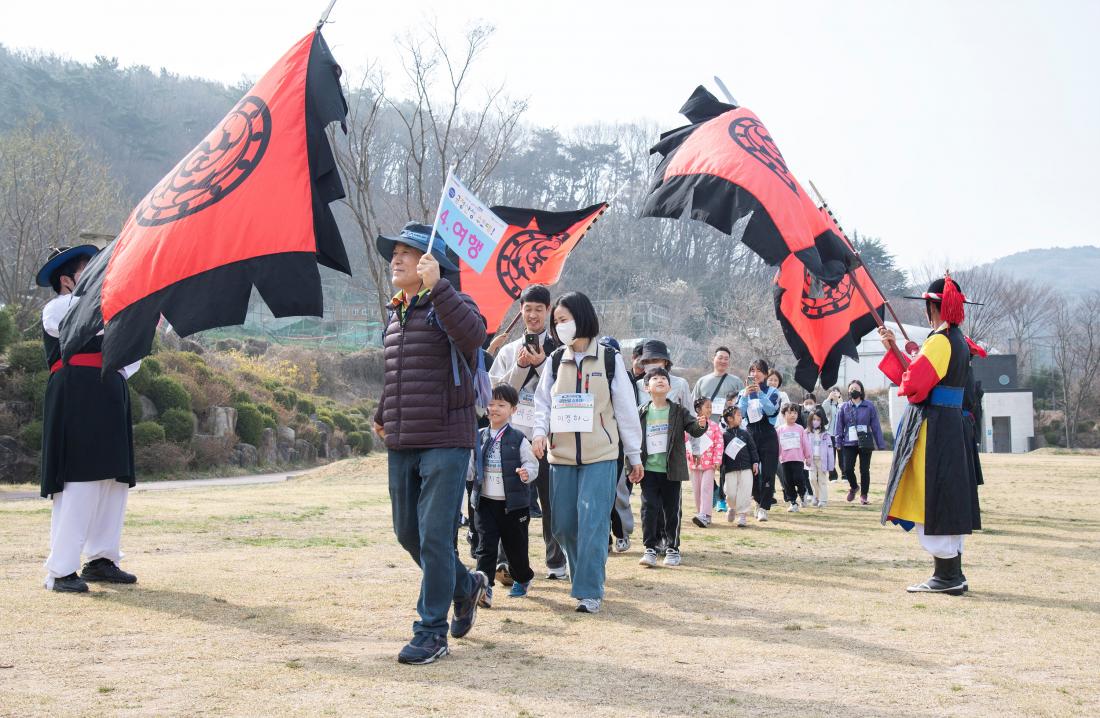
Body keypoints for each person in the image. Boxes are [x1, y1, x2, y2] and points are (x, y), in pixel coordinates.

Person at [373, 222, 489, 665]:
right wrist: (384, 413)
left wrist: (439, 287)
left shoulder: (452, 302)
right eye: (395, 252)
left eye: (408, 252)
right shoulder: (396, 311)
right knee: (408, 534)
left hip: (446, 438)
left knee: (436, 537)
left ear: (431, 262)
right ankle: (466, 586)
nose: (397, 259)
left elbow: (475, 337)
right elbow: (399, 373)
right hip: (403, 438)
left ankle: (431, 631)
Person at [38, 245, 142, 593]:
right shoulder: (56, 307)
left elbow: (132, 360)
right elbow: (79, 316)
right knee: (78, 479)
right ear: (66, 280)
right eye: (90, 270)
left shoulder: (111, 310)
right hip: (75, 394)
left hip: (109, 393)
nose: (99, 275)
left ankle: (101, 559)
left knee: (113, 482)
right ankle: (61, 569)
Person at [531, 291, 643, 614]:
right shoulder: (555, 361)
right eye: (557, 322)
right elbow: (543, 404)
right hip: (561, 456)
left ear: (582, 317)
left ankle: (589, 590)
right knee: (563, 525)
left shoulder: (609, 359)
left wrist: (634, 455)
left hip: (601, 456)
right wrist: (539, 433)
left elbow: (625, 410)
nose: (559, 326)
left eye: (563, 319)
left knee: (593, 521)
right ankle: (583, 577)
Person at [877, 275, 982, 595]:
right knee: (949, 496)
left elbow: (914, 386)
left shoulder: (939, 341)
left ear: (930, 308)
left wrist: (898, 353)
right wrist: (894, 348)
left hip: (935, 426)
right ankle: (953, 574)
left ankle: (947, 576)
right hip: (951, 424)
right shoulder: (959, 340)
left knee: (934, 496)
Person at [485, 284, 568, 582]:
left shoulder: (560, 352)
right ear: (520, 311)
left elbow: (564, 390)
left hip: (549, 438)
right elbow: (495, 394)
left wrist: (543, 362)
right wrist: (521, 366)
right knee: (510, 504)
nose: (532, 315)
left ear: (548, 312)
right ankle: (507, 564)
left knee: (551, 503)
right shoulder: (508, 351)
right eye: (527, 309)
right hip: (513, 439)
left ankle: (557, 563)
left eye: (539, 309)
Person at [467, 385, 539, 606]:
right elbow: (469, 469)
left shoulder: (518, 439)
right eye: (491, 404)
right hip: (485, 503)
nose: (494, 408)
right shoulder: (478, 437)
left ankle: (523, 578)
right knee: (485, 547)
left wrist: (526, 473)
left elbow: (532, 464)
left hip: (514, 505)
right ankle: (485, 589)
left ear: (513, 410)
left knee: (515, 549)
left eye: (501, 405)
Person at [635, 367, 708, 567]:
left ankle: (672, 549)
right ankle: (649, 548)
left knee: (672, 510)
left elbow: (694, 429)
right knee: (649, 509)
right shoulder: (641, 412)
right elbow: (631, 440)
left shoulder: (678, 411)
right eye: (655, 378)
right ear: (646, 387)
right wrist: (631, 465)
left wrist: (701, 425)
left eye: (663, 378)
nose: (660, 380)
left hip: (671, 470)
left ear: (669, 387)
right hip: (648, 470)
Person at [738, 359, 781, 521]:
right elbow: (740, 414)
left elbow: (771, 411)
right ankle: (757, 500)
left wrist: (760, 394)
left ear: (765, 373)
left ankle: (764, 507)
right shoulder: (744, 393)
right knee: (751, 471)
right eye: (752, 371)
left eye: (758, 371)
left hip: (768, 434)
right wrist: (745, 396)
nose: (755, 374)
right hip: (750, 434)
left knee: (768, 472)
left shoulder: (773, 392)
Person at [833, 379, 887, 505]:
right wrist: (838, 442)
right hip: (849, 442)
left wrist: (880, 444)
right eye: (851, 389)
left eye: (856, 389)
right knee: (847, 468)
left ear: (861, 391)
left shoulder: (869, 406)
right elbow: (839, 426)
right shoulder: (844, 407)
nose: (853, 391)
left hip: (865, 442)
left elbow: (876, 426)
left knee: (864, 469)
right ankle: (854, 487)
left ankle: (864, 495)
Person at [687, 397, 724, 528]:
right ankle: (700, 513)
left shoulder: (714, 426)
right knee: (697, 490)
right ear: (698, 409)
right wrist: (689, 456)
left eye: (711, 407)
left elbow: (719, 444)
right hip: (694, 463)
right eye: (707, 406)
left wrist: (717, 460)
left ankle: (705, 514)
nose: (710, 409)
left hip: (709, 464)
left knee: (706, 489)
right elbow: (686, 441)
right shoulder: (691, 424)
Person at [720, 406, 759, 527]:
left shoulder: (745, 433)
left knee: (745, 492)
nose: (740, 417)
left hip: (746, 468)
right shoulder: (724, 436)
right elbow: (720, 452)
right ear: (730, 418)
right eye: (738, 415)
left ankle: (742, 516)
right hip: (730, 469)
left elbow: (752, 449)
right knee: (730, 493)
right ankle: (731, 507)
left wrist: (755, 462)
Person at [691, 346, 745, 423]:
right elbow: (692, 405)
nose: (723, 361)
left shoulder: (737, 382)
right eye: (720, 358)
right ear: (713, 359)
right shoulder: (702, 381)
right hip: (706, 428)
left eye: (726, 359)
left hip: (728, 427)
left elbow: (743, 405)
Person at [776, 405, 811, 512]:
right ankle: (793, 503)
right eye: (790, 413)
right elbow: (777, 445)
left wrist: (808, 457)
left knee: (798, 478)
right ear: (784, 415)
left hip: (798, 459)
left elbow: (805, 443)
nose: (793, 415)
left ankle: (803, 493)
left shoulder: (800, 428)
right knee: (788, 482)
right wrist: (775, 458)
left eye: (795, 413)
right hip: (785, 461)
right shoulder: (780, 430)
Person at [634, 339, 691, 407]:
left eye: (655, 360)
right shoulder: (638, 385)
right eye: (647, 362)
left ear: (665, 362)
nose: (651, 364)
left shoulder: (680, 384)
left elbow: (690, 414)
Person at [805, 407, 835, 507]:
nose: (816, 421)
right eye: (814, 419)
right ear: (810, 420)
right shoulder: (806, 433)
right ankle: (816, 496)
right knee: (812, 479)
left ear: (822, 421)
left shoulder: (826, 435)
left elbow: (830, 451)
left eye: (818, 420)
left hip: (822, 460)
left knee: (822, 480)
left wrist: (830, 465)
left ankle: (823, 500)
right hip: (811, 460)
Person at [821, 387, 843, 481]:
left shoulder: (842, 404)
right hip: (830, 434)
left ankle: (845, 475)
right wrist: (827, 399)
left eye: (836, 392)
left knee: (843, 456)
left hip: (841, 434)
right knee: (830, 456)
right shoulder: (828, 404)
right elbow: (822, 412)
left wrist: (841, 403)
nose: (835, 394)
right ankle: (832, 475)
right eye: (833, 392)